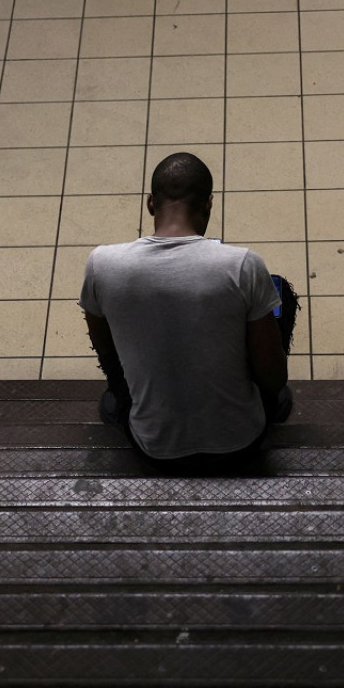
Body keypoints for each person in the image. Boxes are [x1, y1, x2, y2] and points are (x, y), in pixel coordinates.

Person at [78, 152, 296, 472]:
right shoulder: (243, 265)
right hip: (240, 443)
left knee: (119, 370)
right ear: (209, 204)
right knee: (280, 295)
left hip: (152, 447)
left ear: (151, 203)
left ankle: (118, 403)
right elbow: (273, 375)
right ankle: (273, 406)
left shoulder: (102, 265)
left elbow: (107, 351)